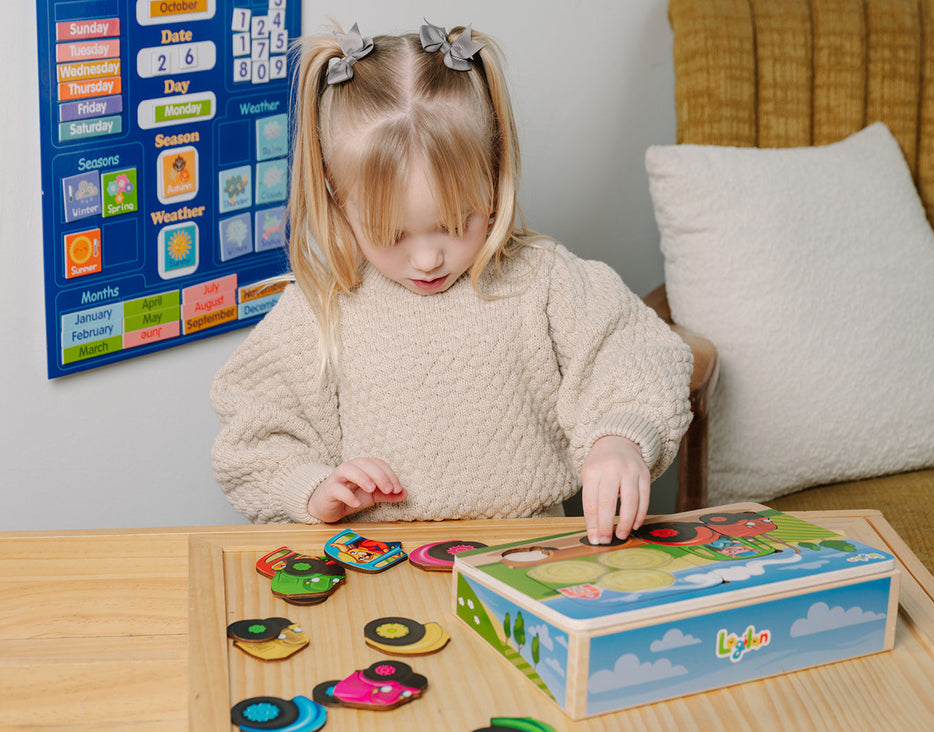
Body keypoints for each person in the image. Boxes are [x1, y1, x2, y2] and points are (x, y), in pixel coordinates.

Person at [210, 21, 692, 545]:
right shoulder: (323, 305)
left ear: (495, 168)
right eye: (389, 233)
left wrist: (619, 437)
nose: (426, 257)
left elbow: (637, 350)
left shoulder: (543, 281)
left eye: (456, 222)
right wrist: (313, 489)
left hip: (530, 558)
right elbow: (254, 434)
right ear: (336, 200)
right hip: (379, 567)